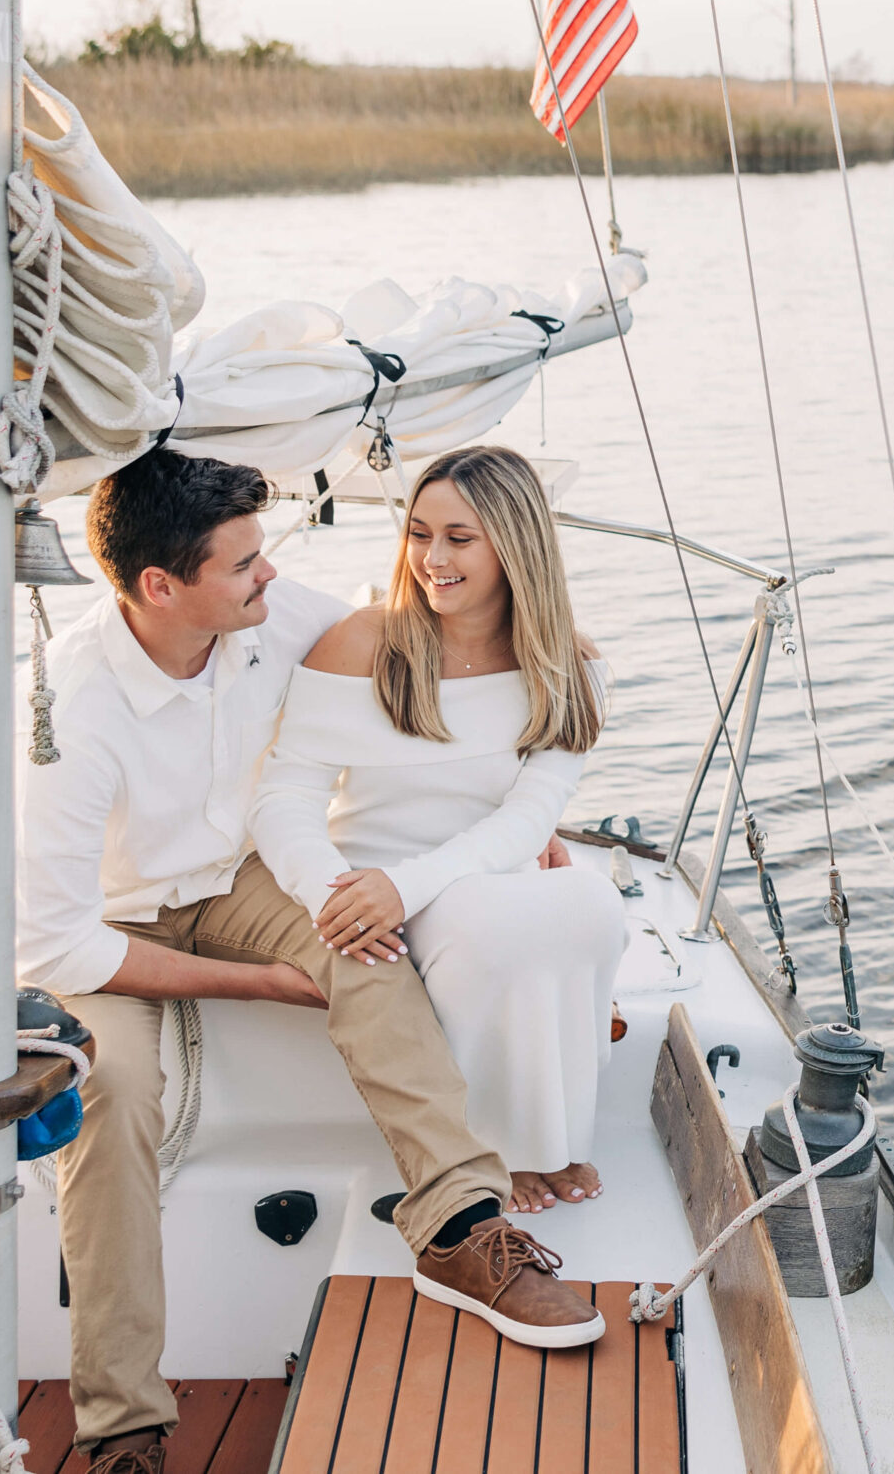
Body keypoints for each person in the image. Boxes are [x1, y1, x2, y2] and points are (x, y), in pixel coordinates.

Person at [18, 448, 602, 1474]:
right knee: (112, 1097)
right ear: (163, 587)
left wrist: (517, 828)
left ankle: (461, 1223)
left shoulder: (275, 617)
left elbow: (442, 659)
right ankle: (122, 1426)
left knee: (363, 949)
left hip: (244, 878)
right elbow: (56, 940)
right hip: (111, 929)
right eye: (246, 562)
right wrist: (262, 983)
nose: (273, 575)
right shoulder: (75, 711)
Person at [250, 445, 628, 1217]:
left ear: (515, 543)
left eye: (460, 537)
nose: (430, 557)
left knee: (594, 905)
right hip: (365, 883)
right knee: (490, 925)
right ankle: (486, 1152)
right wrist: (337, 892)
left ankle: (551, 1140)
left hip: (472, 874)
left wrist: (412, 883)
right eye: (419, 533)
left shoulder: (570, 666)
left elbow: (530, 817)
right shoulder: (363, 642)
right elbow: (284, 794)